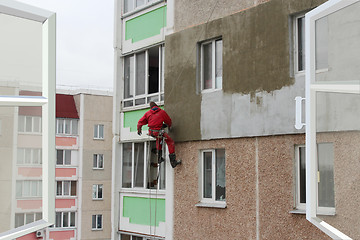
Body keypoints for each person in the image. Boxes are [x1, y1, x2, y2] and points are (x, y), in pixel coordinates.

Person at [137, 102, 181, 168]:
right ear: (157, 106)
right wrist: (169, 126)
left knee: (158, 139)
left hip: (152, 132)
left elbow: (140, 122)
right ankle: (173, 162)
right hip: (158, 132)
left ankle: (159, 158)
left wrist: (139, 129)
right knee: (170, 142)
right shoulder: (162, 112)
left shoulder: (148, 113)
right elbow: (168, 121)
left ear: (151, 108)